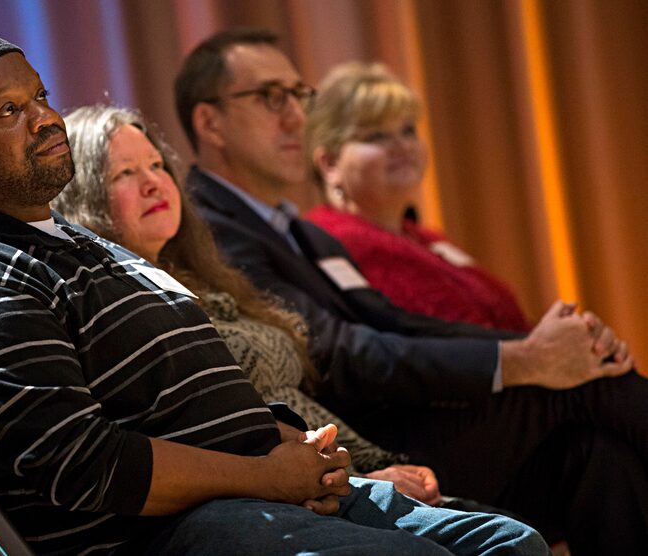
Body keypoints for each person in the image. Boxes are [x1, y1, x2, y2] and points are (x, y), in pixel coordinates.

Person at [0, 24, 548, 556]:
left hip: (260, 494)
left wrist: (292, 444)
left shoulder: (70, 242)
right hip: (179, 533)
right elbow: (91, 467)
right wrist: (267, 475)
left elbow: (178, 396)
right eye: (9, 111)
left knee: (513, 542)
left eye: (41, 96)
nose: (45, 119)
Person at [175, 27, 648, 552]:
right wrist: (522, 361)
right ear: (209, 121)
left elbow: (399, 321)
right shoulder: (207, 226)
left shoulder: (299, 229)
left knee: (595, 453)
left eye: (298, 95)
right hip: (356, 446)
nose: (295, 116)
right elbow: (332, 351)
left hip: (410, 420)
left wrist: (530, 349)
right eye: (269, 97)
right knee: (586, 389)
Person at [52, 103, 476, 507]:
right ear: (83, 197)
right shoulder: (127, 310)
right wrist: (364, 481)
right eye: (125, 173)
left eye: (157, 165)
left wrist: (381, 467)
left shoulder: (211, 281)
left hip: (358, 468)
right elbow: (217, 442)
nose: (153, 183)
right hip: (304, 494)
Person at [306, 61, 528, 332]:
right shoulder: (330, 241)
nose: (402, 145)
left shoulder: (427, 238)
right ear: (330, 163)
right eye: (376, 136)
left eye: (408, 130)